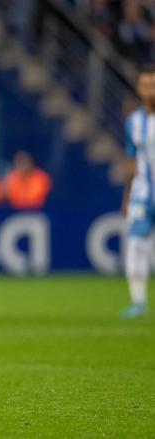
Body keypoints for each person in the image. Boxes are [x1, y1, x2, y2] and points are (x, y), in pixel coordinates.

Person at [120, 66, 155, 319]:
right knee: (135, 245)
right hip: (143, 193)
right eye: (145, 85)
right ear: (138, 89)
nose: (150, 90)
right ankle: (139, 302)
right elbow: (131, 160)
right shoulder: (133, 122)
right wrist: (128, 194)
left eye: (154, 85)